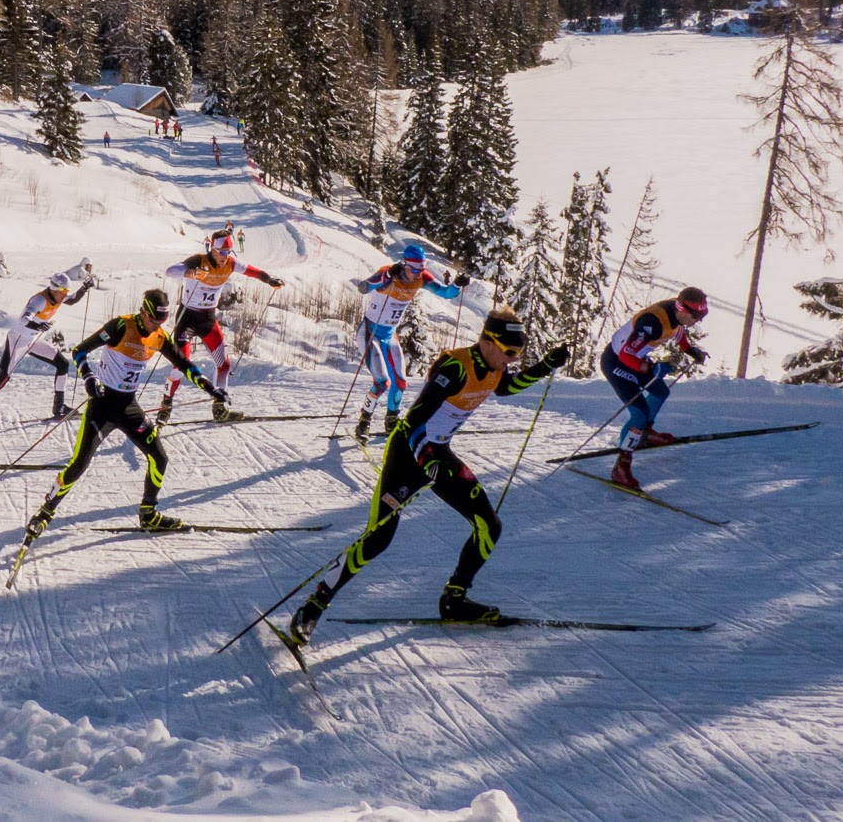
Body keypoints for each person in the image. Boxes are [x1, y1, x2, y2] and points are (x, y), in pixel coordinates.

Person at [288, 309, 568, 644]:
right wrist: (428, 461)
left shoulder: (494, 368)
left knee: (489, 526)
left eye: (518, 353)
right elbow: (416, 420)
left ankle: (455, 599)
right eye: (509, 352)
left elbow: (506, 388)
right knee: (378, 538)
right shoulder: (455, 368)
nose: (512, 360)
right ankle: (313, 606)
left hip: (439, 455)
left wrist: (544, 367)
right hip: (408, 454)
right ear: (487, 341)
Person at [23, 288, 225, 540]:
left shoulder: (159, 336)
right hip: (102, 405)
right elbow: (79, 351)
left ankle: (148, 514)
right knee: (78, 465)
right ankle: (44, 513)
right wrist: (88, 377)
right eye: (154, 320)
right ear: (143, 312)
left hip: (128, 407)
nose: (156, 326)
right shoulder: (121, 325)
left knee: (159, 458)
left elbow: (184, 365)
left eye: (162, 321)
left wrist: (210, 388)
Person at [156, 230, 282, 423]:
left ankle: (219, 408)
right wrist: (191, 273)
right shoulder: (198, 260)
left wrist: (269, 279)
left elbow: (252, 271)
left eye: (229, 252)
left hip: (208, 319)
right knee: (181, 366)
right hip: (187, 319)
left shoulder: (230, 264)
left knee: (224, 364)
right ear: (212, 249)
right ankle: (166, 405)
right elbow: (170, 271)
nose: (226, 257)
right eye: (222, 252)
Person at [351, 244, 467, 438]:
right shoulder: (388, 274)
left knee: (401, 383)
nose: (418, 274)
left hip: (389, 335)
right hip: (370, 333)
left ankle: (391, 421)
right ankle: (364, 422)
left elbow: (446, 293)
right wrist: (387, 276)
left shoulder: (421, 279)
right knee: (382, 383)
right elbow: (364, 287)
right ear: (404, 264)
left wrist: (457, 284)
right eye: (414, 269)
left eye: (421, 269)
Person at [600, 287, 711, 490]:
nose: (698, 321)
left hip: (636, 359)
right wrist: (651, 367)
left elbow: (678, 333)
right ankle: (621, 466)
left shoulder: (676, 315)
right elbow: (626, 355)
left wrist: (691, 350)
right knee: (640, 412)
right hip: (617, 362)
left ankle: (644, 433)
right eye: (696, 316)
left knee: (660, 392)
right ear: (684, 310)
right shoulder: (651, 323)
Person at [0, 265, 94, 418]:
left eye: (66, 292)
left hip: (32, 341)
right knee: (3, 378)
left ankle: (59, 407)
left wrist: (84, 288)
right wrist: (38, 325)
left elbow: (72, 300)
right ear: (55, 289)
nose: (66, 295)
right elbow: (24, 318)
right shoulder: (40, 299)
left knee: (63, 364)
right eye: (64, 292)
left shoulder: (58, 296)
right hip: (18, 339)